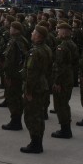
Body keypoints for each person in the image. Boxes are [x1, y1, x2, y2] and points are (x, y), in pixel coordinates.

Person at [20, 25, 53, 154]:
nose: (32, 34)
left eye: (34, 32)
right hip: (42, 85)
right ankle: (37, 143)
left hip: (34, 88)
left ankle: (35, 144)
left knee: (31, 116)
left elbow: (31, 73)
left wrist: (28, 91)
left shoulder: (35, 52)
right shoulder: (46, 49)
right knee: (38, 115)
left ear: (39, 36)